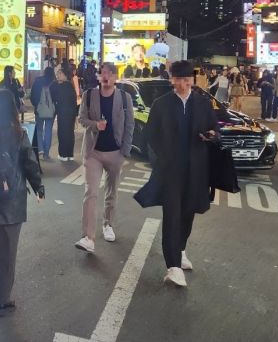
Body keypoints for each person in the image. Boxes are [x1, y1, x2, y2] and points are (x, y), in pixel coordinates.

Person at [134, 60, 219, 288]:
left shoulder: (203, 103)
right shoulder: (162, 104)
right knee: (172, 214)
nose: (181, 84)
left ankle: (180, 250)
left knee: (188, 211)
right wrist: (163, 158)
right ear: (171, 79)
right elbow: (151, 135)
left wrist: (211, 135)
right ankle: (172, 266)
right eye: (177, 79)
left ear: (192, 79)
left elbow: (215, 129)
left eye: (185, 79)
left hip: (196, 168)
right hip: (171, 169)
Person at [0, 90, 44, 316]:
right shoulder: (18, 133)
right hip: (11, 198)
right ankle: (3, 300)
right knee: (8, 253)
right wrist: (38, 187)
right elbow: (30, 164)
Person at [75, 62, 134, 253]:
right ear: (99, 77)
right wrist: (95, 124)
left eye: (110, 73)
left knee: (111, 191)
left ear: (116, 77)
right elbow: (81, 119)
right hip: (94, 152)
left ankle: (108, 224)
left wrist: (124, 151)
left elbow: (129, 125)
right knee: (90, 192)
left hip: (115, 152)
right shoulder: (89, 95)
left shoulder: (125, 98)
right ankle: (88, 237)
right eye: (103, 73)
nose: (106, 76)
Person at [51, 65, 78, 161]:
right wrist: (75, 114)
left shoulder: (59, 86)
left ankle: (63, 154)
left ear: (65, 76)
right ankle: (70, 154)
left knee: (62, 133)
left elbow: (53, 97)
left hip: (62, 112)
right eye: (57, 74)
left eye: (60, 74)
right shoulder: (70, 86)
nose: (58, 76)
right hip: (71, 113)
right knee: (70, 133)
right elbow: (74, 100)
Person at [30, 67, 56, 161]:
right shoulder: (54, 82)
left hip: (39, 109)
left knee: (39, 130)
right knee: (48, 130)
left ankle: (40, 150)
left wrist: (36, 105)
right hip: (50, 111)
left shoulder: (37, 81)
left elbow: (32, 95)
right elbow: (56, 97)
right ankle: (46, 153)